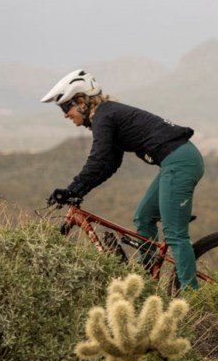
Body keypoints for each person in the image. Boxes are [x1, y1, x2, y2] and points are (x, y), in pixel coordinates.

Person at [42, 69, 207, 289]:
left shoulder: (104, 116)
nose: (65, 115)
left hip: (180, 162)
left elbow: (98, 159)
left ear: (81, 101)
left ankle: (192, 298)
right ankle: (144, 283)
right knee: (143, 217)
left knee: (175, 234)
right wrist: (77, 191)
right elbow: (109, 164)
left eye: (66, 107)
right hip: (177, 161)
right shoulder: (107, 116)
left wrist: (73, 189)